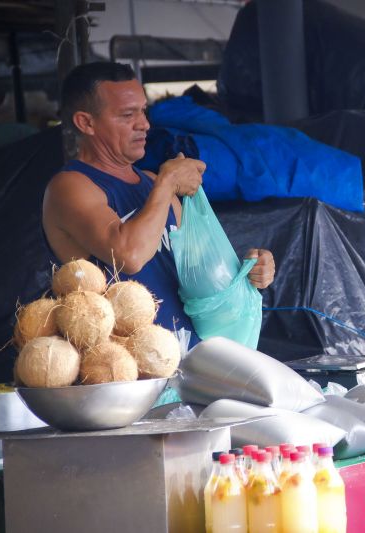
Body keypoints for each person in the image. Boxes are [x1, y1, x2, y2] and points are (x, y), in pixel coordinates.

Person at [43, 62, 275, 346]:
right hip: (122, 372)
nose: (144, 124)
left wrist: (248, 270)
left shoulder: (153, 183)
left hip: (186, 364)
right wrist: (166, 184)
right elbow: (130, 255)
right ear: (86, 123)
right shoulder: (71, 187)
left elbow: (200, 271)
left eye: (143, 110)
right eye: (128, 115)